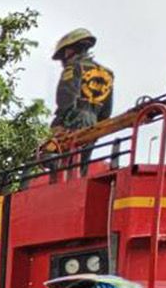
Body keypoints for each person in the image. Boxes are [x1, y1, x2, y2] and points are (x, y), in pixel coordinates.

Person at [47, 27, 115, 177]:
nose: (62, 60)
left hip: (73, 119)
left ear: (69, 51)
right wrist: (98, 125)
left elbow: (65, 99)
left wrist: (58, 123)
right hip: (94, 121)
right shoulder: (107, 73)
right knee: (81, 165)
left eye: (63, 55)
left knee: (50, 156)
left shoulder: (74, 67)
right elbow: (107, 110)